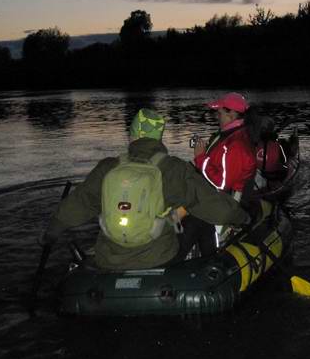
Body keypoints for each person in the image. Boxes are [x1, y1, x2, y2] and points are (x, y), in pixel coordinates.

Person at [43, 108, 249, 270]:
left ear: (132, 136)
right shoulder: (173, 168)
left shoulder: (108, 167)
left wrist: (50, 233)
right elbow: (218, 208)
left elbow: (77, 204)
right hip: (158, 258)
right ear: (158, 138)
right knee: (197, 216)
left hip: (109, 259)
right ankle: (209, 266)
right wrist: (245, 218)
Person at [193, 92, 257, 197]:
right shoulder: (230, 135)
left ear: (231, 115)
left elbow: (223, 185)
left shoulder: (237, 145)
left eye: (219, 113)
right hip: (214, 192)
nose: (216, 117)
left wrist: (200, 158)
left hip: (227, 201)